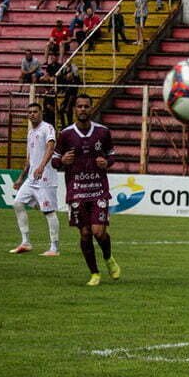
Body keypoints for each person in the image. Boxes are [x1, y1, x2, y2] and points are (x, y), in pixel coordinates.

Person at [51, 93, 121, 286]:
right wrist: (62, 161)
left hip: (98, 189)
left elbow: (112, 155)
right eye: (79, 106)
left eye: (86, 106)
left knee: (99, 232)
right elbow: (55, 160)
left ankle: (108, 258)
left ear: (91, 108)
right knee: (85, 233)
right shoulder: (65, 134)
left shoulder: (103, 132)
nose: (82, 109)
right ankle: (94, 273)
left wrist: (106, 162)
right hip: (76, 191)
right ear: (75, 109)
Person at [9, 103, 61, 256]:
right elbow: (29, 158)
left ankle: (54, 248)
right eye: (30, 112)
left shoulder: (48, 128)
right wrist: (20, 178)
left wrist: (42, 166)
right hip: (31, 179)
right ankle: (25, 242)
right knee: (17, 204)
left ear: (41, 113)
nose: (32, 114)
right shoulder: (31, 132)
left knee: (49, 212)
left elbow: (51, 148)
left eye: (35, 111)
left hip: (46, 178)